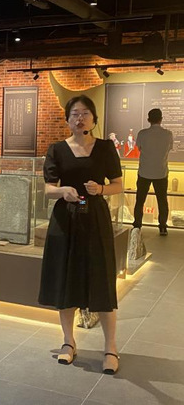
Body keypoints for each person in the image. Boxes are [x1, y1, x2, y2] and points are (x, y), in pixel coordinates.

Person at [38, 95, 123, 375]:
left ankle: (110, 348)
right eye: (75, 114)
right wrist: (63, 191)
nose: (80, 118)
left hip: (95, 218)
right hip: (66, 220)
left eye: (85, 113)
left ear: (94, 119)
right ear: (67, 119)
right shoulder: (57, 149)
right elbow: (49, 189)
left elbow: (118, 185)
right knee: (66, 280)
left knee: (102, 280)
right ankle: (68, 342)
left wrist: (101, 189)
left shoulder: (106, 148)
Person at [133, 108, 174, 236]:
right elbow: (169, 148)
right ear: (161, 119)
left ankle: (137, 225)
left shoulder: (142, 134)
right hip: (161, 172)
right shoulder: (168, 134)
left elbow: (139, 148)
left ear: (148, 119)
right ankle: (163, 227)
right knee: (162, 201)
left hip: (144, 172)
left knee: (140, 200)